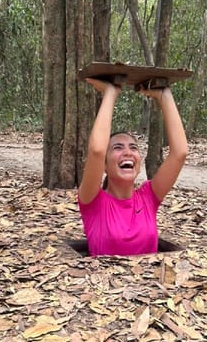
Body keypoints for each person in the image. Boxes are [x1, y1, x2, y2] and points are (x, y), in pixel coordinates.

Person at [78, 77, 188, 256]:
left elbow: (180, 153)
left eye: (133, 147)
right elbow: (97, 150)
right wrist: (111, 93)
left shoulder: (148, 197)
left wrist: (164, 95)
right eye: (117, 147)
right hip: (103, 282)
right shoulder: (93, 201)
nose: (128, 152)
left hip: (151, 283)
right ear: (104, 165)